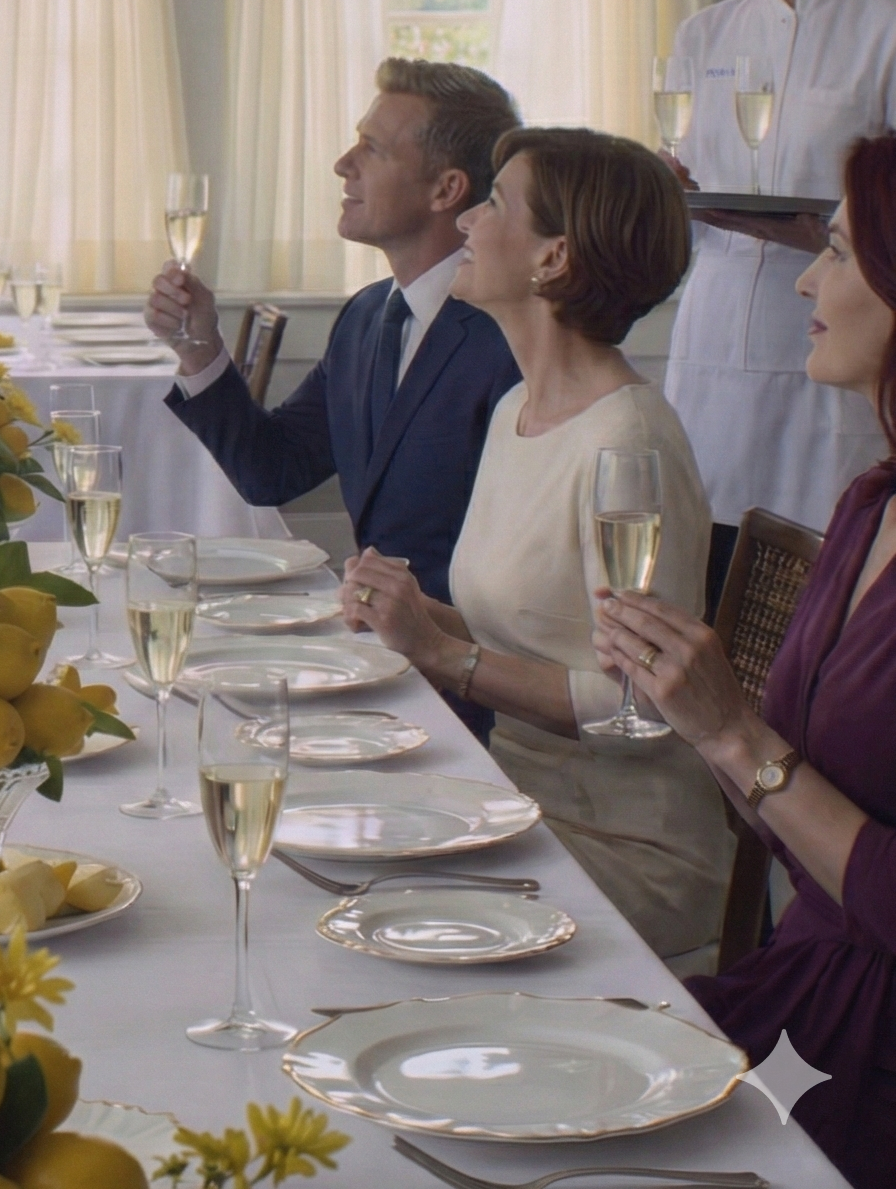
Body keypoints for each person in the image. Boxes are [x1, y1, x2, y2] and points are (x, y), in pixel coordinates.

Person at [345, 127, 733, 967]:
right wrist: (410, 616)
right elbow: (527, 634)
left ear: (553, 257)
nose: (467, 222)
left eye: (494, 204)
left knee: (355, 896)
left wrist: (441, 655)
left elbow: (645, 710)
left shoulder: (627, 445)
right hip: (512, 803)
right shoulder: (515, 409)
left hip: (625, 847)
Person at [594, 135, 896, 1189]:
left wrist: (732, 733)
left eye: (839, 253)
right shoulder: (868, 502)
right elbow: (782, 813)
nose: (806, 281)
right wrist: (694, 711)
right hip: (798, 986)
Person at [148, 58, 522, 603]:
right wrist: (198, 347)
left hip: (456, 643)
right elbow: (272, 471)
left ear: (446, 189)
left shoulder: (509, 336)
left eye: (372, 148)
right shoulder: (365, 317)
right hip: (371, 631)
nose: (343, 164)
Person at [663, 0, 896, 593]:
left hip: (826, 370)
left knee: (813, 600)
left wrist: (817, 235)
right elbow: (686, 229)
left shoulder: (885, 32)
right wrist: (661, 196)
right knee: (704, 586)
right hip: (710, 357)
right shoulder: (703, 35)